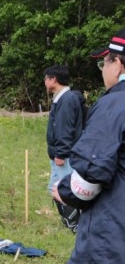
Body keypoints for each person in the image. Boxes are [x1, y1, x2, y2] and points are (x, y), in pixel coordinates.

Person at [52, 29, 125, 264]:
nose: (103, 71)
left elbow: (89, 177)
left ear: (118, 63)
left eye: (103, 63)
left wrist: (64, 191)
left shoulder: (115, 105)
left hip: (116, 252)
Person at [44, 64, 84, 232]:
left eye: (46, 78)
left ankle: (74, 223)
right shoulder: (61, 99)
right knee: (56, 187)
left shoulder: (67, 99)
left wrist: (60, 152)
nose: (44, 82)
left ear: (54, 79)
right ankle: (71, 222)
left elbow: (64, 128)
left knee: (62, 188)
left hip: (65, 155)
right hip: (61, 153)